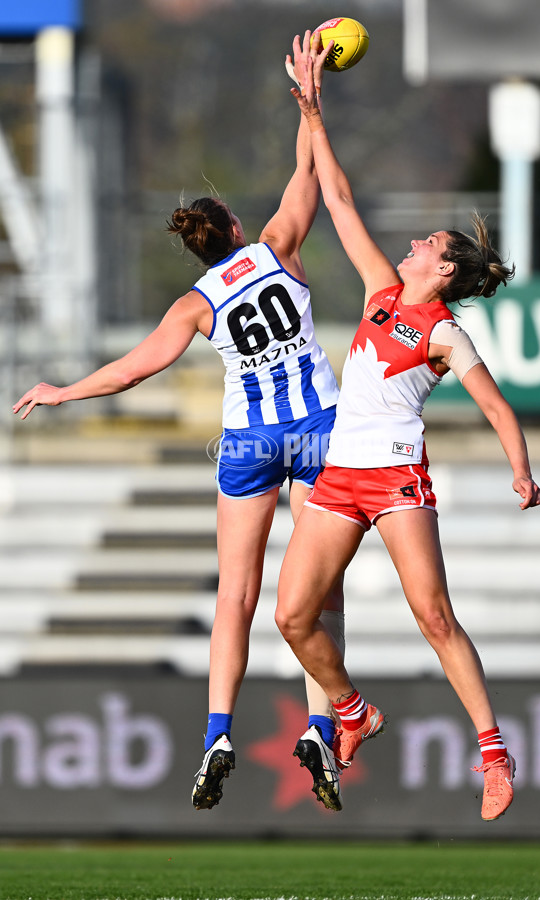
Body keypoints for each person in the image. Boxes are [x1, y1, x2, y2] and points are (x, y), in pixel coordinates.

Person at [12, 34, 346, 813]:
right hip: (319, 431)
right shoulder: (277, 251)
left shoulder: (195, 305)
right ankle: (324, 727)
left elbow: (132, 369)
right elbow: (309, 173)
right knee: (319, 598)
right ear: (232, 228)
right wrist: (309, 100)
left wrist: (62, 392)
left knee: (234, 594)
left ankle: (218, 733)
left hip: (248, 441)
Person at [274, 36, 540, 822]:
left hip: (395, 480)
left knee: (434, 615)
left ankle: (494, 754)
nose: (416, 241)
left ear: (448, 271)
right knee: (292, 617)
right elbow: (341, 200)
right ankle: (352, 711)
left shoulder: (444, 335)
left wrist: (519, 469)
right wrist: (312, 110)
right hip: (338, 478)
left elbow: (495, 406)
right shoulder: (379, 292)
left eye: (429, 243)